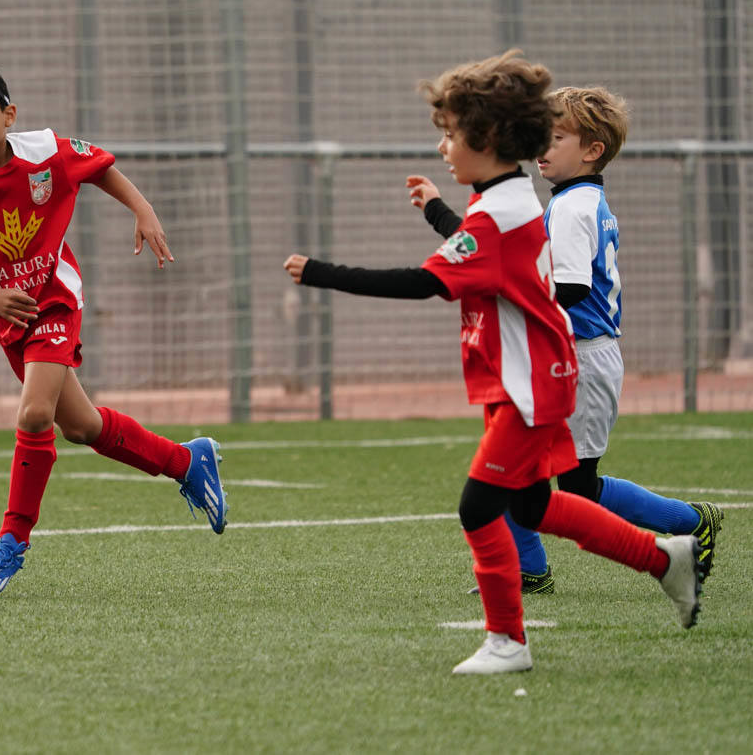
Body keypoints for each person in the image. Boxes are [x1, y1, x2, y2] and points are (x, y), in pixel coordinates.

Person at [284, 51, 710, 675]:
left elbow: (428, 281)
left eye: (451, 134)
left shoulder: (506, 212)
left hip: (530, 388)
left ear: (485, 138)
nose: (443, 147)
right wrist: (435, 210)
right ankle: (663, 559)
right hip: (527, 381)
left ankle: (507, 641)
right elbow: (476, 248)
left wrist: (322, 273)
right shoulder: (507, 201)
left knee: (478, 507)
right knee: (534, 507)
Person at [0, 58, 228, 597]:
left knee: (35, 411)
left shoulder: (44, 151)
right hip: (9, 314)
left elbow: (101, 168)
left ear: (8, 113)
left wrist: (143, 209)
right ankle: (187, 461)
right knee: (82, 427)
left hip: (54, 299)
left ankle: (11, 542)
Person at [407, 86, 723, 594]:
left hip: (580, 359)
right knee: (514, 465)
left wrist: (523, 307)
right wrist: (441, 214)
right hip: (566, 358)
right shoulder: (572, 201)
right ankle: (529, 567)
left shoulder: (574, 209)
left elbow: (569, 287)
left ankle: (689, 524)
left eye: (555, 138)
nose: (541, 148)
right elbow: (495, 253)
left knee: (578, 488)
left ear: (593, 149)